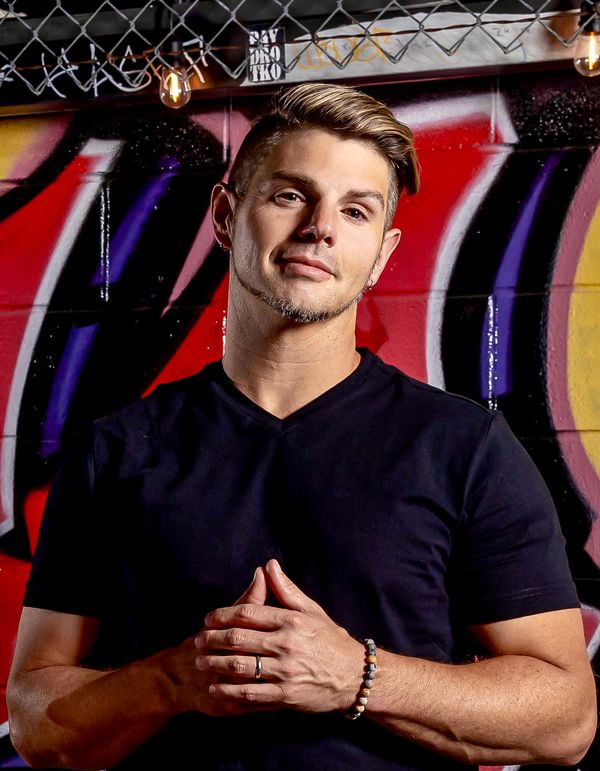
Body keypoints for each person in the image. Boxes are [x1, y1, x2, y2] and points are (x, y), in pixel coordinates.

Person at [7, 83, 595, 771]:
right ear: (226, 215)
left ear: (381, 254)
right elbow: (36, 723)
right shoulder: (117, 450)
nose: (320, 227)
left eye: (355, 210)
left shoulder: (464, 450)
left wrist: (355, 676)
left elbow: (565, 719)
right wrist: (173, 680)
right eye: (290, 195)